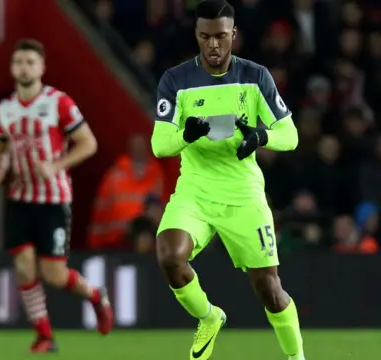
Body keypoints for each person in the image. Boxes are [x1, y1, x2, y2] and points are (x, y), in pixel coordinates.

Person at [151, 2, 304, 360]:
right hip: (196, 192)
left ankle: (297, 358)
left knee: (269, 288)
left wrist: (261, 137)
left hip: (243, 195)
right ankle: (209, 317)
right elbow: (160, 145)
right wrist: (185, 135)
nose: (214, 45)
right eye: (205, 37)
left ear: (233, 34)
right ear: (197, 36)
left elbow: (291, 134)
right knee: (169, 256)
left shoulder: (255, 76)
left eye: (221, 36)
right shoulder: (175, 80)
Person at [0, 39, 113, 352]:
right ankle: (44, 335)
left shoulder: (59, 102)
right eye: (19, 62)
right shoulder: (3, 110)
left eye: (31, 61)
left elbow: (88, 143)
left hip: (54, 201)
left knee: (54, 275)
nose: (24, 67)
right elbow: (0, 148)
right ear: (11, 68)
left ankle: (96, 296)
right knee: (23, 267)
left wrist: (57, 164)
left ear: (42, 67)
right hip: (19, 199)